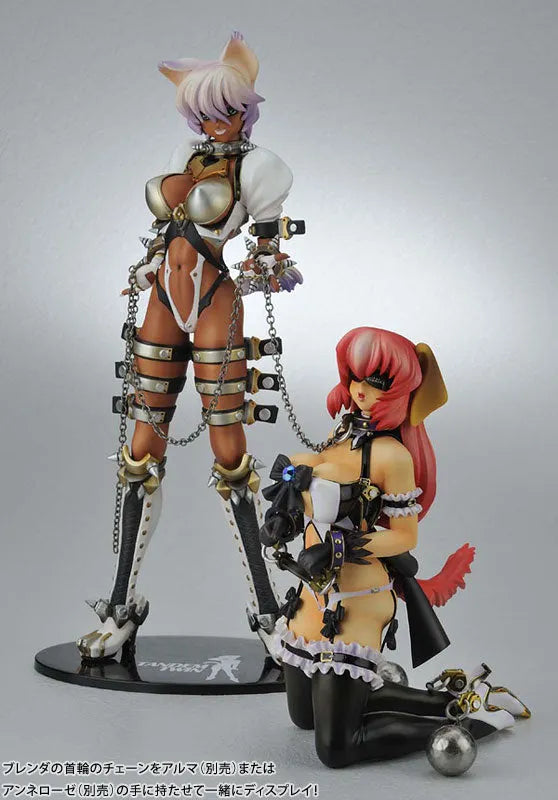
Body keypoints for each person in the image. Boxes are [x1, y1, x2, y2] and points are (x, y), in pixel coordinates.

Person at [77, 32, 304, 661]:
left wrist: (266, 265)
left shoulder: (259, 167)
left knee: (230, 452)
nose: (211, 122)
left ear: (245, 109)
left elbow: (267, 244)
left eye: (223, 110)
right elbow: (166, 230)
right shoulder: (188, 153)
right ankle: (120, 607)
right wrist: (147, 264)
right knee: (139, 450)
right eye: (201, 112)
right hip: (162, 297)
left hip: (213, 302)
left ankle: (267, 613)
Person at [260, 326, 529, 768]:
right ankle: (447, 699)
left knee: (337, 748)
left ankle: (476, 720)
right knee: (303, 718)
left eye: (377, 382)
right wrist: (281, 521)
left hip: (355, 603)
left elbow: (405, 537)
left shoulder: (391, 456)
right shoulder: (338, 435)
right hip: (310, 599)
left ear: (403, 391)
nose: (360, 390)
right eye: (354, 376)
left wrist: (339, 549)